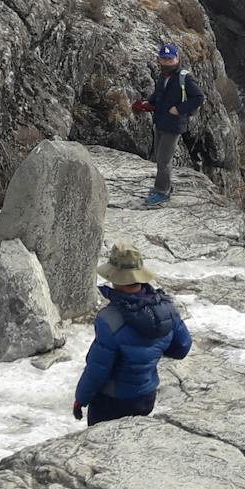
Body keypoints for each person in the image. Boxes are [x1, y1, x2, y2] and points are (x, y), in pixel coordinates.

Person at [73, 243, 192, 426]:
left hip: (111, 402)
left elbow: (98, 370)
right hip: (146, 397)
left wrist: (81, 399)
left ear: (115, 278)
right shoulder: (167, 309)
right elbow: (182, 347)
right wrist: (153, 350)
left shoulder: (109, 319)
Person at [131, 42, 203, 207]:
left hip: (173, 126)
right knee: (159, 156)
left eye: (170, 59)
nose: (167, 62)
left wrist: (179, 109)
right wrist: (146, 104)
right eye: (164, 59)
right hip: (161, 122)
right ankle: (164, 187)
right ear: (160, 60)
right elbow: (158, 95)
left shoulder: (184, 77)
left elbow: (198, 98)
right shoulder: (164, 76)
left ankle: (162, 191)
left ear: (177, 59)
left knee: (164, 159)